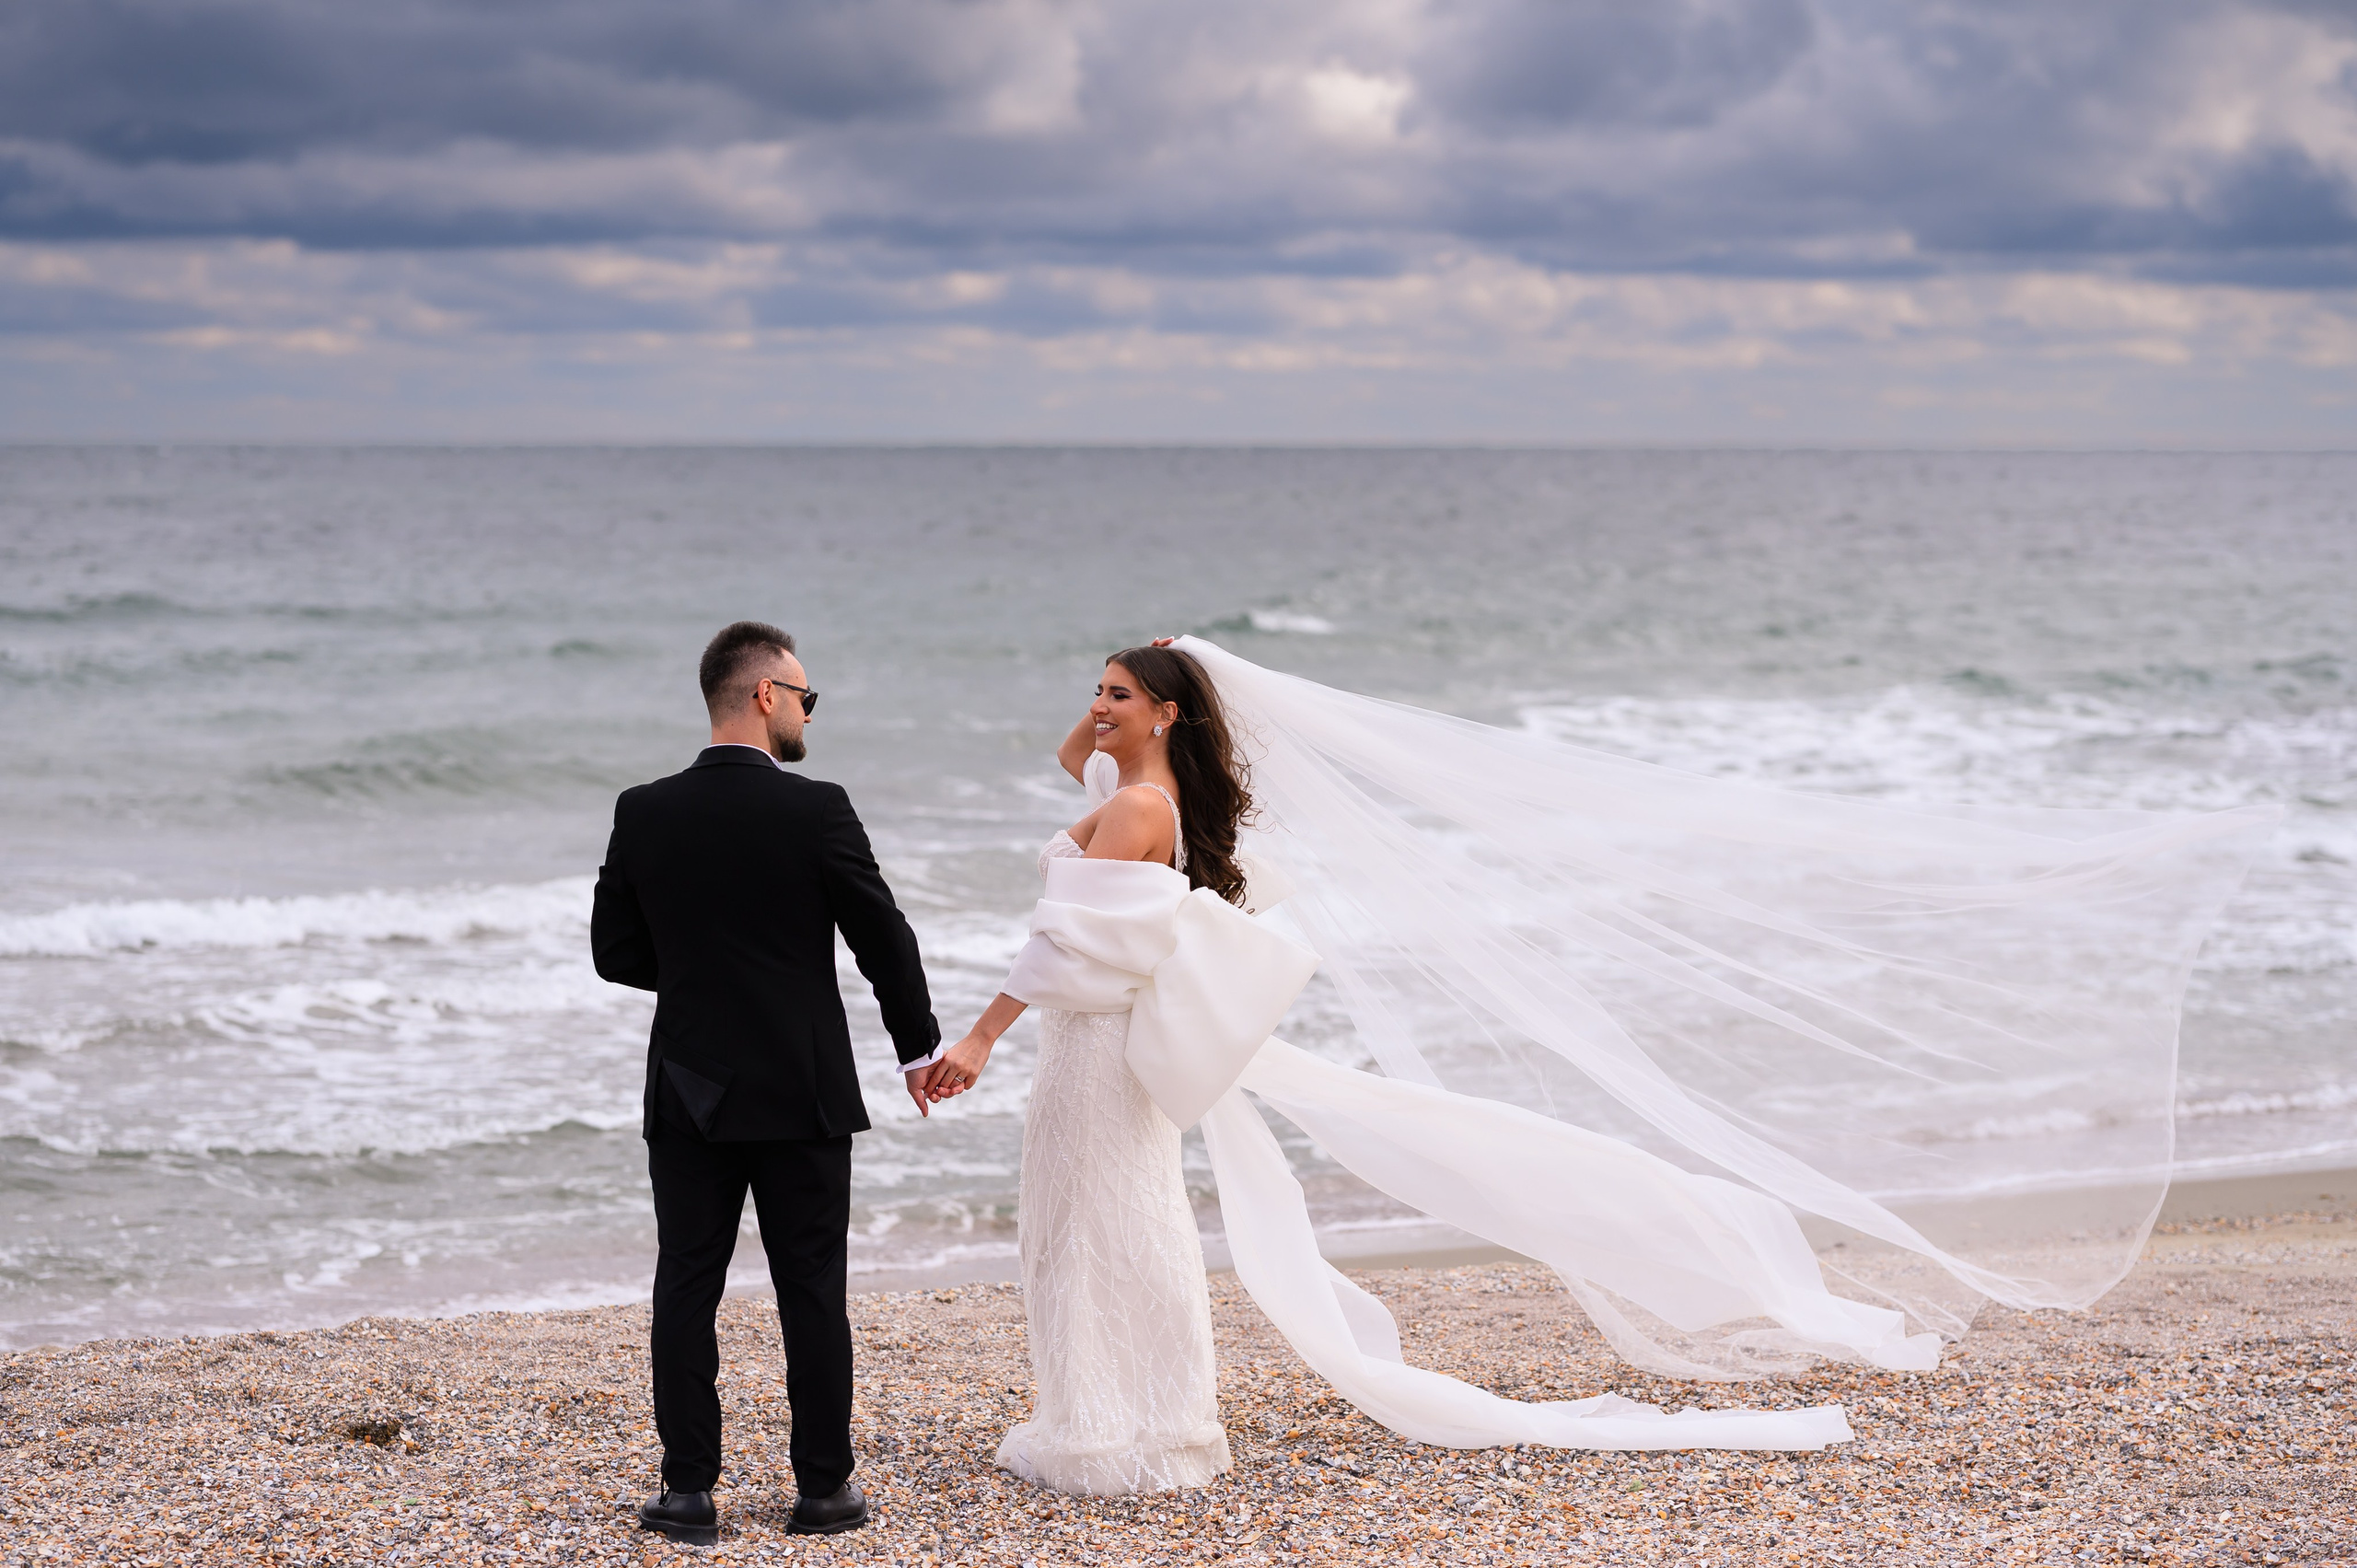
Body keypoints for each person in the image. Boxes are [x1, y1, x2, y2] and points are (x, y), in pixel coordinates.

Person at [927, 635, 2276, 1492]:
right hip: (1110, 1048)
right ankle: (1143, 1418)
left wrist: (979, 1037)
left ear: (1163, 711)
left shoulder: (1138, 807)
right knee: (1114, 1222)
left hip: (1092, 1053)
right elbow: (1082, 818)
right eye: (1096, 691)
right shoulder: (1151, 798)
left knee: (1103, 1226)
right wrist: (1100, 726)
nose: (1093, 708)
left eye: (1114, 693)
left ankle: (1123, 1426)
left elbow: (1066, 948)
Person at [592, 620, 946, 1543]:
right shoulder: (817, 808)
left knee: (686, 1283)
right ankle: (823, 1491)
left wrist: (703, 974)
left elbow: (614, 952)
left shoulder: (643, 809)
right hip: (804, 1087)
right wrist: (917, 1049)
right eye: (804, 696)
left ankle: (688, 1494)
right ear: (763, 694)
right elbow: (883, 936)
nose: (808, 713)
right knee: (812, 1288)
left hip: (689, 1086)